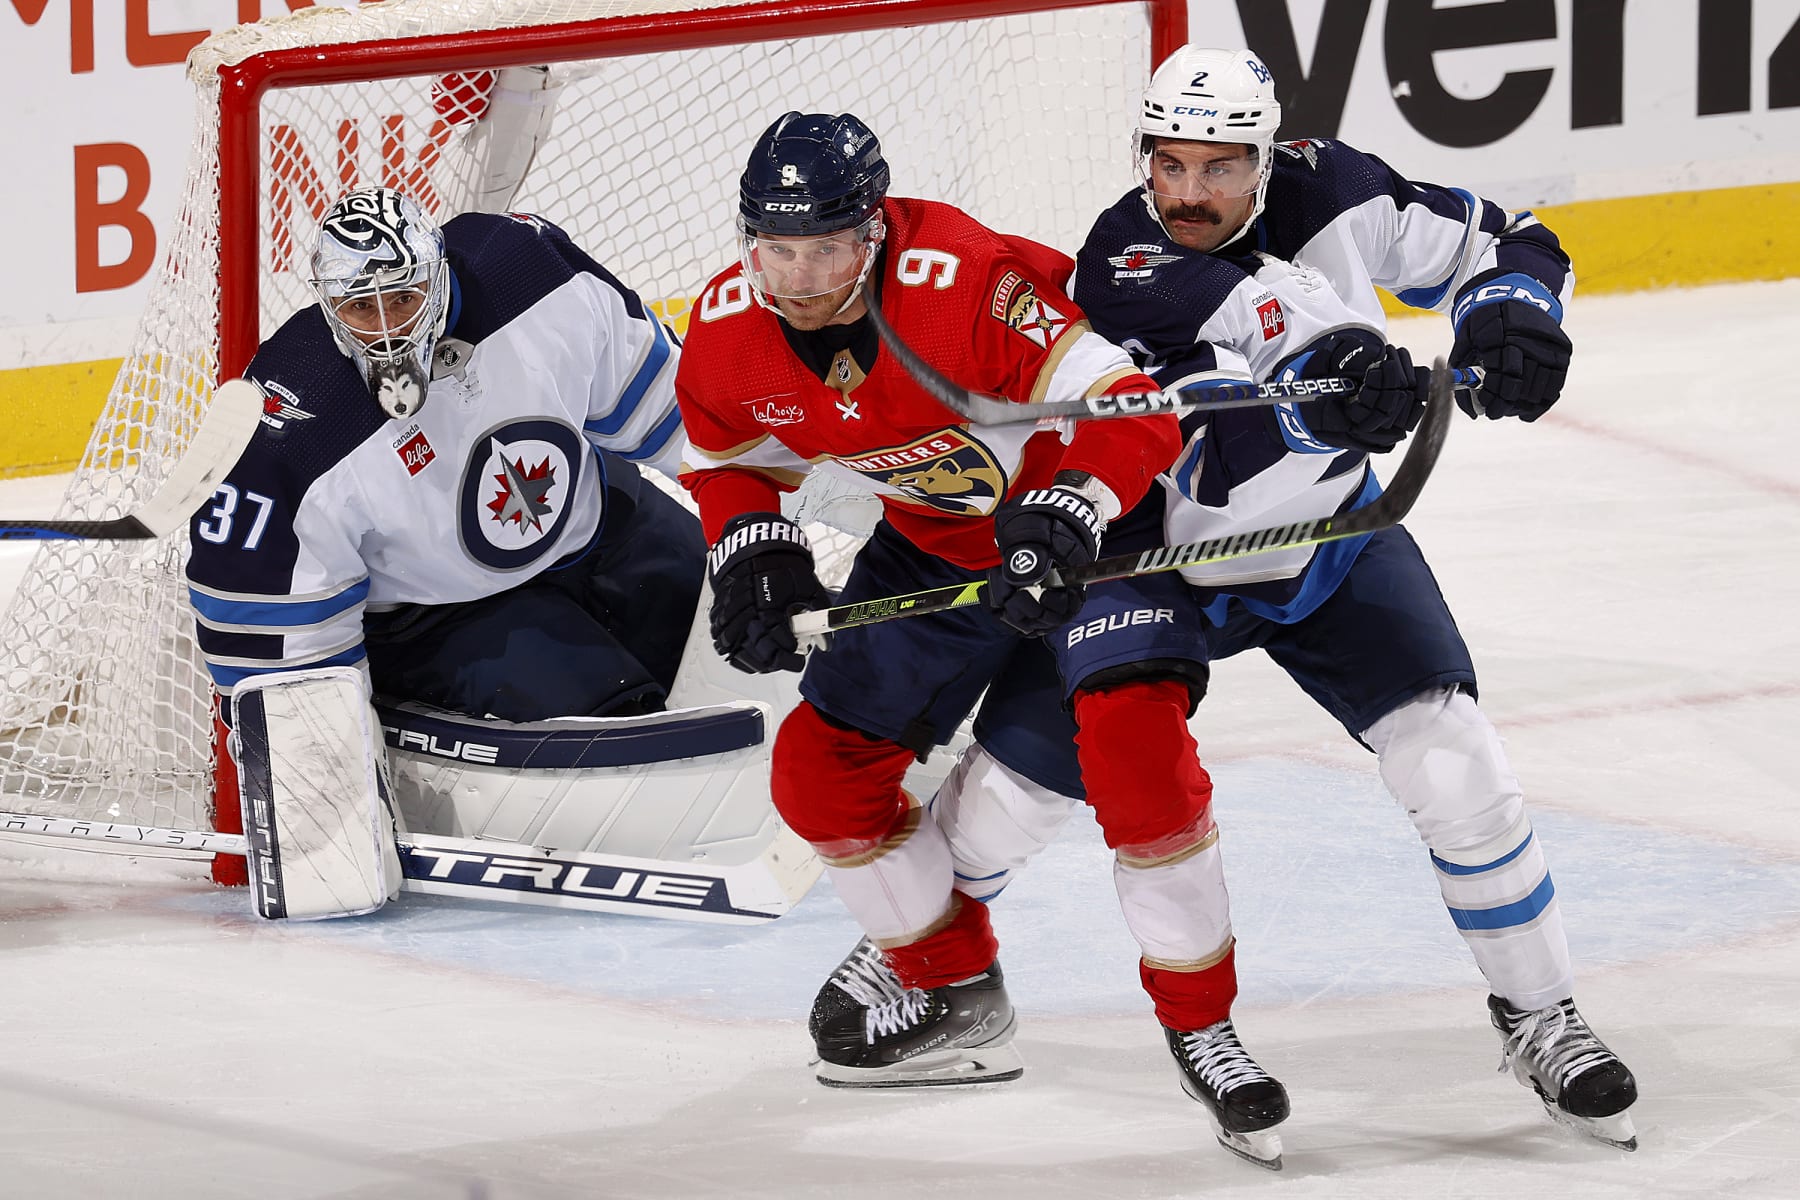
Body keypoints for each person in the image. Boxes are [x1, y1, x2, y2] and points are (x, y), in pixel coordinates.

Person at [808, 46, 1639, 1164]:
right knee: (1015, 797)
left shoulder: (1338, 188)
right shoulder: (1123, 263)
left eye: (1217, 167)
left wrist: (1516, 310)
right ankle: (914, 950)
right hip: (1152, 556)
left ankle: (1542, 1015)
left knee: (1459, 765)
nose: (1188, 192)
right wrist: (1333, 386)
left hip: (1322, 547)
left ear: (1267, 156)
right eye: (1168, 161)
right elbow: (1234, 386)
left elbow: (1510, 238)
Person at [673, 112, 1275, 1101]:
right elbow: (729, 457)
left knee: (1133, 763)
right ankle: (952, 991)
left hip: (1094, 539)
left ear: (872, 229)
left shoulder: (959, 282)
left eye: (826, 247)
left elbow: (1134, 407)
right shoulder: (731, 328)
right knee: (817, 778)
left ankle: (1204, 1026)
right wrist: (751, 548)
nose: (803, 277)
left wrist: (1070, 506)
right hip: (933, 547)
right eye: (777, 250)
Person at [186, 186, 698, 724]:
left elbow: (675, 410)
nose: (388, 330)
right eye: (361, 307)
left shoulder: (529, 272)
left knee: (751, 622)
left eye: (404, 297)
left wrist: (764, 514)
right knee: (614, 728)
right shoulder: (298, 417)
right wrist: (328, 754)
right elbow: (278, 666)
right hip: (443, 617)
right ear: (329, 305)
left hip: (599, 526)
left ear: (440, 273)